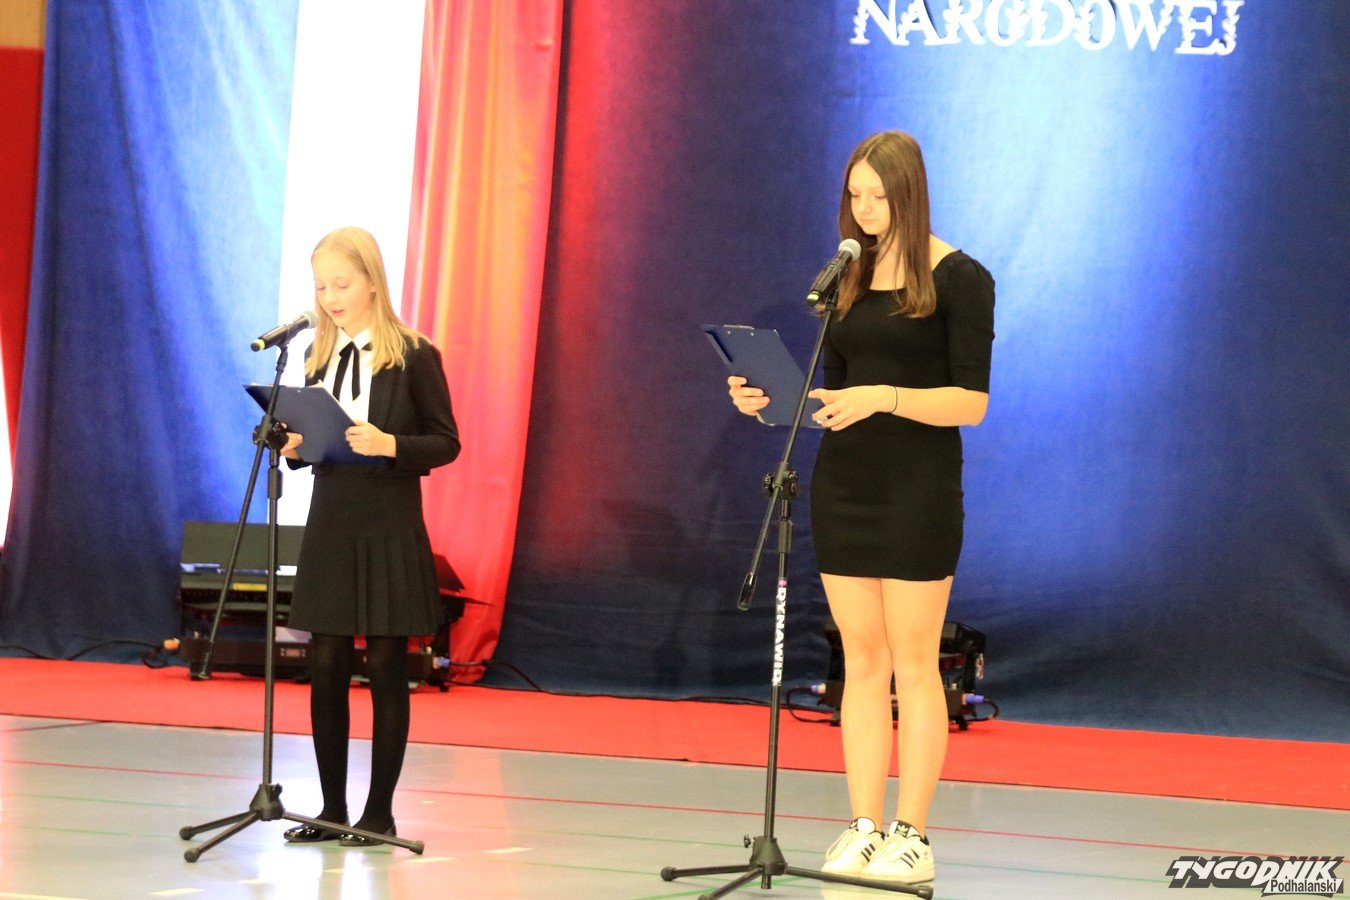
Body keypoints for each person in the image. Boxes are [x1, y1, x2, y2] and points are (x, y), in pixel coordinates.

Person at [728, 131, 994, 885]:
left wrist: (887, 397)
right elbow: (833, 396)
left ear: (909, 193)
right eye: (855, 194)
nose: (865, 208)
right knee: (862, 661)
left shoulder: (961, 278)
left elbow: (971, 402)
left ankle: (913, 833)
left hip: (917, 489)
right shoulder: (848, 276)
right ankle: (863, 825)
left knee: (915, 662)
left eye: (878, 195)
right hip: (845, 484)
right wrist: (770, 403)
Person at [278, 226, 460, 846]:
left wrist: (390, 445)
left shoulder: (413, 355)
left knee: (384, 663)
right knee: (326, 661)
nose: (329, 298)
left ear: (373, 283)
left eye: (341, 285)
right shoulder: (316, 355)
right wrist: (297, 448)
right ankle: (331, 808)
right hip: (332, 517)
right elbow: (318, 444)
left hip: (388, 520)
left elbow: (446, 441)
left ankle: (378, 812)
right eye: (321, 287)